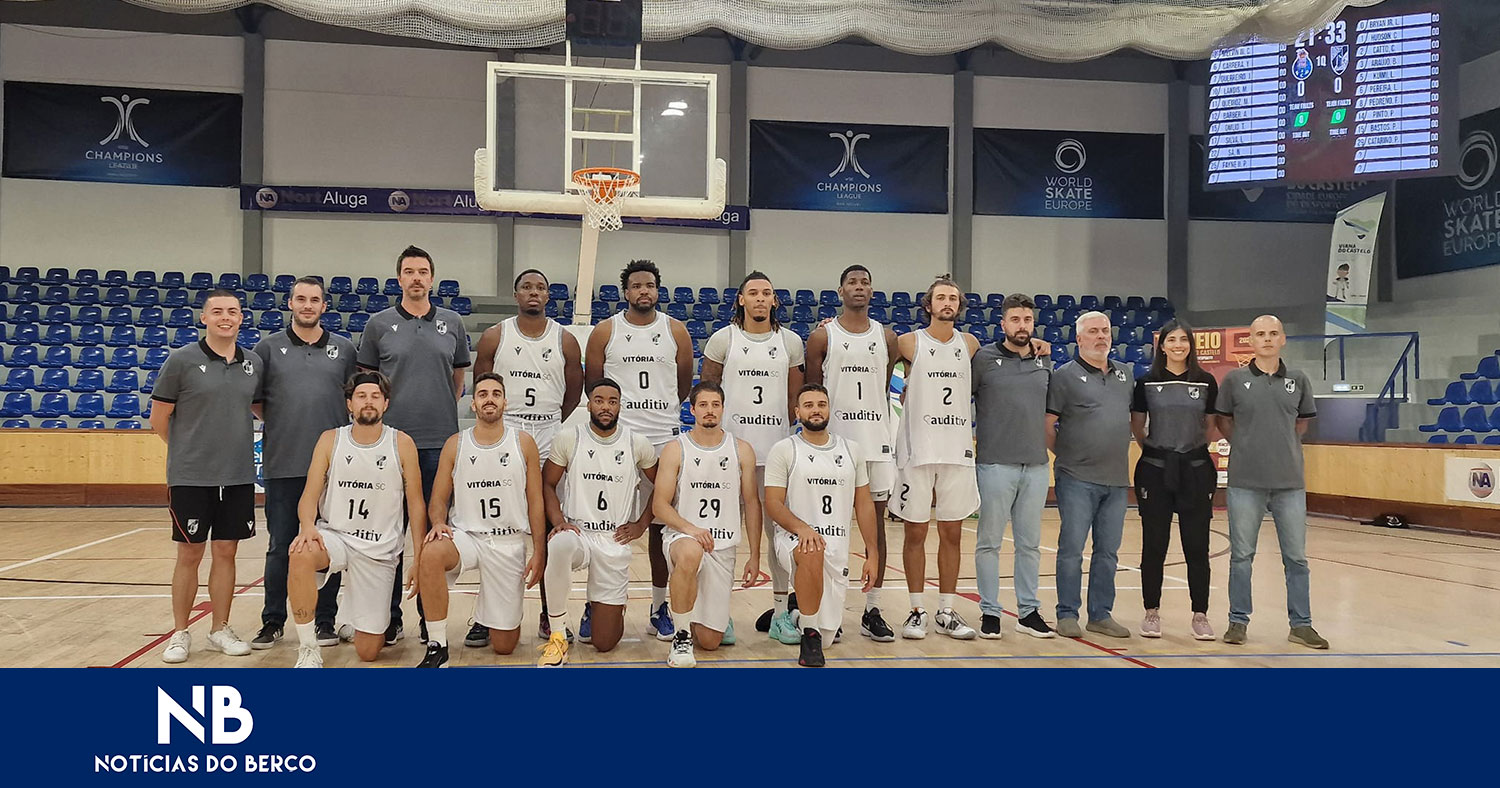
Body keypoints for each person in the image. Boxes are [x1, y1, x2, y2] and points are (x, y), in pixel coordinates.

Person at [355, 245, 472, 644]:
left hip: (440, 444)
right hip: (390, 446)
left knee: (434, 536)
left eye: (423, 271)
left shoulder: (453, 323)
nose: (417, 278)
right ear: (399, 278)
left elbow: (457, 381)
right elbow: (368, 385)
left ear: (432, 278)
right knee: (389, 536)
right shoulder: (378, 324)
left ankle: (429, 619)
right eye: (409, 271)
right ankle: (387, 620)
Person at [284, 371, 426, 668]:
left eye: (375, 396)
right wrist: (307, 527)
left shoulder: (401, 443)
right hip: (335, 535)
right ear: (350, 404)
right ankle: (308, 648)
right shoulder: (330, 440)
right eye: (361, 396)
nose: (368, 402)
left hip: (379, 547)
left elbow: (415, 504)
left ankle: (352, 618)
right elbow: (310, 495)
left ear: (386, 403)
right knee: (300, 552)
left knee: (368, 652)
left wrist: (419, 558)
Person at [152, 289, 264, 663]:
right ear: (204, 318)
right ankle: (179, 632)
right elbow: (159, 419)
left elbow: (262, 409)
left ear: (241, 318)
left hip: (237, 476)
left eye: (232, 311)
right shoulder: (181, 361)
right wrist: (189, 453)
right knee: (189, 553)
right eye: (217, 311)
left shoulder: (252, 364)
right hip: (191, 478)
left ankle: (220, 628)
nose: (225, 317)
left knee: (226, 552)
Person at [472, 268, 582, 645]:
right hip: (508, 431)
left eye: (540, 288)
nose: (533, 293)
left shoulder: (565, 339)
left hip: (550, 430)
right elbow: (481, 384)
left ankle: (549, 613)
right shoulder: (494, 336)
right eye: (526, 287)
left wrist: (551, 422)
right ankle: (484, 615)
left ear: (549, 296)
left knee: (553, 525)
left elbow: (574, 390)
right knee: (498, 526)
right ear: (516, 294)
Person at [585, 260, 692, 641]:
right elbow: (593, 385)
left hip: (664, 435)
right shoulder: (605, 331)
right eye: (636, 286)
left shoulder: (675, 330)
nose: (643, 291)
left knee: (660, 526)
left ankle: (659, 605)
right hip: (617, 437)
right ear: (625, 292)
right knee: (603, 522)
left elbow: (682, 385)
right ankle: (593, 603)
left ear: (658, 290)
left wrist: (659, 415)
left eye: (650, 285)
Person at [251, 276, 358, 650]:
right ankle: (273, 621)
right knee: (282, 545)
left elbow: (354, 401)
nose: (308, 305)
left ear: (325, 306)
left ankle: (325, 620)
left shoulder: (345, 350)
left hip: (334, 470)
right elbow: (256, 401)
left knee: (328, 546)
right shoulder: (267, 348)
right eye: (301, 299)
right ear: (291, 304)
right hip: (284, 463)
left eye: (315, 299)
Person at [697, 271, 802, 645]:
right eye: (753, 293)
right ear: (741, 299)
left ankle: (778, 613)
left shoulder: (790, 342)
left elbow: (796, 400)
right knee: (723, 534)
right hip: (729, 452)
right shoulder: (723, 339)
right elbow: (707, 390)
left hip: (774, 452)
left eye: (767, 293)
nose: (760, 298)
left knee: (778, 537)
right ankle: (717, 613)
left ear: (774, 300)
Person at [414, 373, 546, 668]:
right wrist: (437, 523)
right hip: (466, 536)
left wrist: (539, 550)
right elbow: (437, 499)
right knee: (432, 551)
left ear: (505, 403)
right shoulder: (455, 444)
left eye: (496, 394)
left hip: (508, 541)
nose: (489, 399)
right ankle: (437, 646)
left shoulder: (523, 443)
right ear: (473, 404)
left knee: (504, 646)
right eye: (483, 394)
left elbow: (536, 502)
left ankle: (487, 617)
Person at [1214, 314, 1327, 649]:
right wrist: (1248, 445)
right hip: (1245, 481)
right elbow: (1222, 421)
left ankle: (1301, 625)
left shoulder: (1299, 379)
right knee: (1241, 556)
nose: (1266, 339)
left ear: (1283, 339)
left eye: (1273, 333)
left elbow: (1302, 424)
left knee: (1296, 558)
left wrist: (1280, 448)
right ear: (1250, 341)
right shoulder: (1234, 380)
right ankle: (1237, 622)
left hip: (1289, 483)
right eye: (1260, 334)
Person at [801, 264, 898, 644]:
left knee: (876, 526)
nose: (859, 287)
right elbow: (812, 386)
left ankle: (872, 608)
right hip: (834, 443)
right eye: (852, 283)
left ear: (872, 291)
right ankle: (829, 611)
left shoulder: (887, 337)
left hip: (875, 443)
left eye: (865, 282)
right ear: (839, 291)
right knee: (828, 527)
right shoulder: (822, 336)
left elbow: (887, 380)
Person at [537, 378, 659, 666]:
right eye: (600, 400)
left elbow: (663, 486)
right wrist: (558, 521)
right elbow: (547, 483)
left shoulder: (636, 443)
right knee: (559, 544)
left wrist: (641, 524)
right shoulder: (570, 437)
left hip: (614, 538)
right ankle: (557, 636)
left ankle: (605, 607)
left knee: (604, 644)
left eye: (612, 401)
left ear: (620, 406)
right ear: (589, 403)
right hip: (579, 531)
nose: (606, 406)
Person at [764, 384, 880, 667]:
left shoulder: (852, 450)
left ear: (829, 409)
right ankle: (810, 636)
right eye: (808, 405)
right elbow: (773, 503)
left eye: (821, 404)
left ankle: (796, 612)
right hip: (794, 539)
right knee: (811, 552)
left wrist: (873, 554)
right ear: (797, 412)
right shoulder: (784, 449)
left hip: (836, 545)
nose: (815, 410)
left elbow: (863, 504)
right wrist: (802, 528)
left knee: (831, 634)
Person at [892, 275, 980, 640]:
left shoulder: (970, 344)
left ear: (959, 306)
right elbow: (884, 376)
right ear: (928, 305)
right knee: (915, 531)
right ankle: (916, 610)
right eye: (941, 298)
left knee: (953, 533)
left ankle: (945, 609)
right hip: (918, 449)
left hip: (957, 450)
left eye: (953, 299)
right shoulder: (909, 342)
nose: (948, 303)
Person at [651, 382, 762, 667]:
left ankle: (695, 612)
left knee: (711, 641)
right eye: (703, 405)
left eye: (715, 405)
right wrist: (690, 528)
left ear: (723, 409)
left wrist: (755, 555)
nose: (710, 410)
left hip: (722, 547)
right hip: (682, 538)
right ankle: (681, 637)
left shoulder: (742, 451)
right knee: (690, 553)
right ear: (692, 410)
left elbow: (751, 503)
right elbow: (659, 505)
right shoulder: (676, 449)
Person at [1046, 310, 1134, 639]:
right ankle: (1067, 613)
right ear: (1079, 338)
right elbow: (1046, 427)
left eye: (1106, 331)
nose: (1101, 337)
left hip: (1116, 480)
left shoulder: (1125, 374)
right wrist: (1069, 456)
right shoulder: (1064, 376)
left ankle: (1101, 614)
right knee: (1071, 549)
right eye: (1093, 331)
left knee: (1108, 551)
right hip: (1075, 479)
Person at [972, 294, 1055, 640]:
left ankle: (1028, 611)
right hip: (994, 463)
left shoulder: (1043, 359)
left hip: (1035, 465)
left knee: (1029, 544)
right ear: (1002, 323)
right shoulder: (984, 359)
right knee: (989, 542)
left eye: (1027, 320)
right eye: (1015, 320)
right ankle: (990, 611)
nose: (1022, 326)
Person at [1130, 319, 1219, 641]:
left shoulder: (1206, 381)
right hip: (1155, 468)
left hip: (1195, 469)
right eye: (1172, 340)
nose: (1178, 345)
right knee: (1155, 545)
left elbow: (1210, 425)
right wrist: (1157, 451)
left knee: (1197, 546)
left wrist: (1190, 451)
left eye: (1184, 340)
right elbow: (1138, 425)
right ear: (1162, 345)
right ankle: (1151, 611)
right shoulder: (1147, 382)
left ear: (1191, 345)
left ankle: (1200, 614)